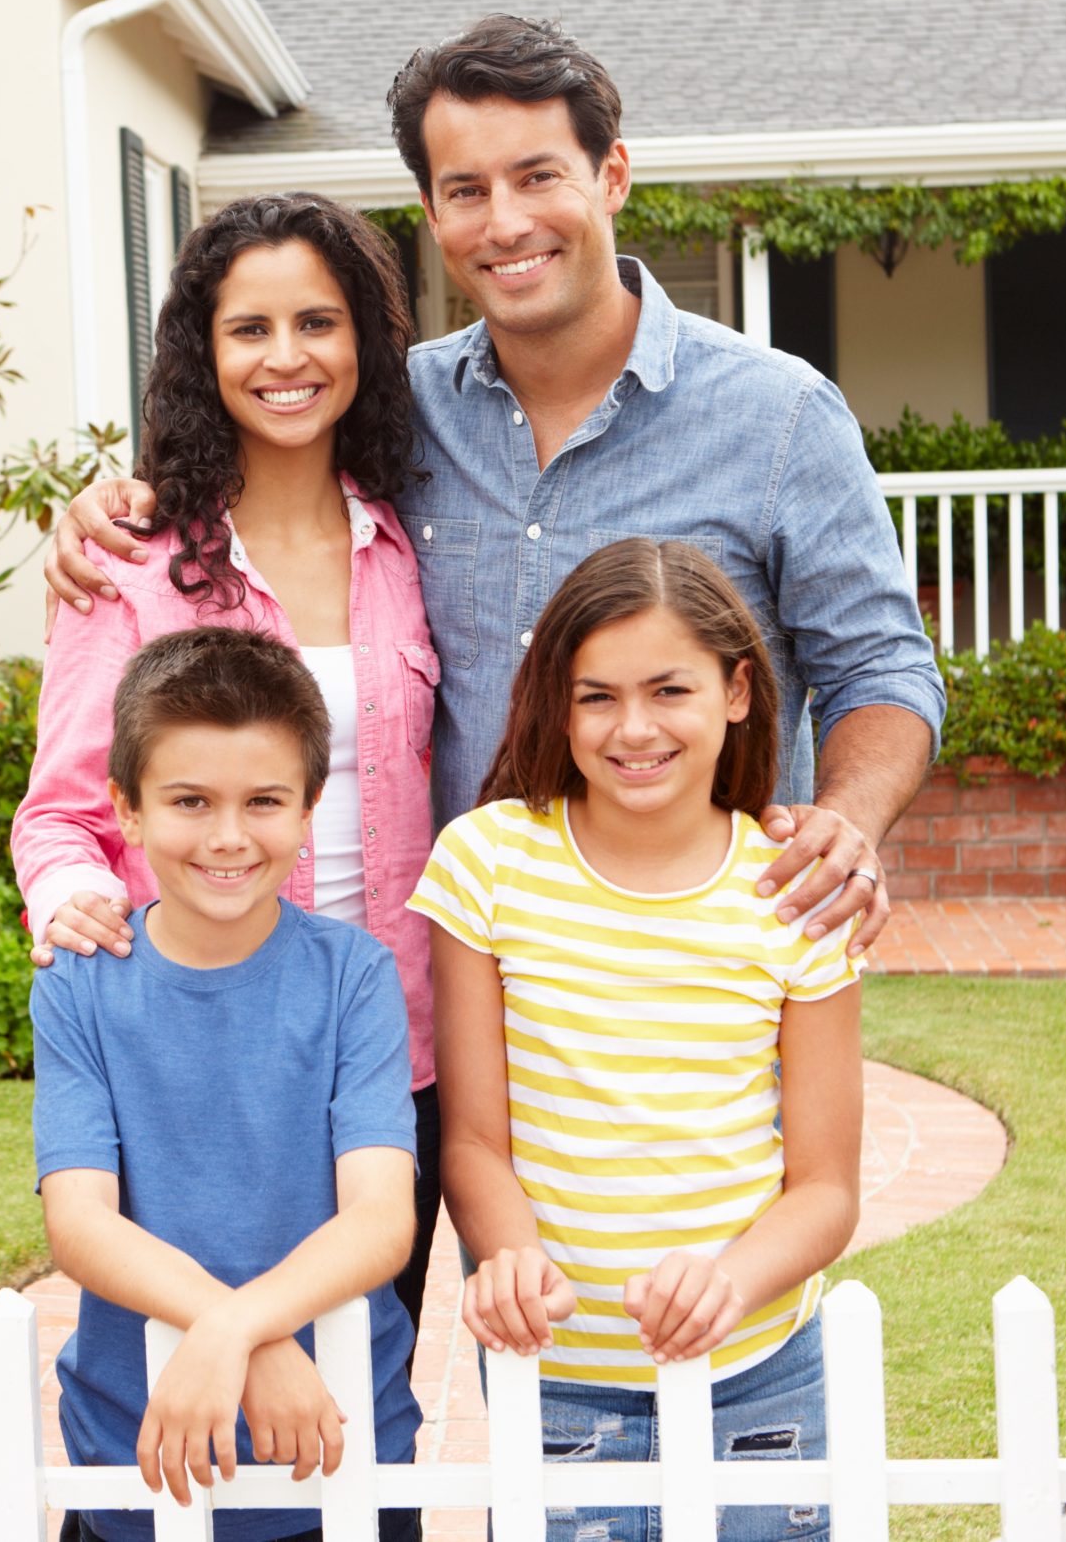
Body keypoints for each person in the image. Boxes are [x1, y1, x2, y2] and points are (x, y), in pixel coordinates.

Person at [44, 15, 944, 961]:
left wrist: (847, 820)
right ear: (432, 216)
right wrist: (118, 506)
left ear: (613, 176)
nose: (505, 222)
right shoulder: (395, 411)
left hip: (696, 976)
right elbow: (258, 449)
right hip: (459, 981)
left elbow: (881, 668)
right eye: (466, 190)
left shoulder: (780, 417)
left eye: (538, 175)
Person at [12, 190, 446, 1347]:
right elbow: (59, 814)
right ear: (203, 355)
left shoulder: (413, 539)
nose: (286, 357)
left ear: (363, 338)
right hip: (202, 1052)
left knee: (364, 1384)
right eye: (249, 329)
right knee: (189, 1386)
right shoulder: (132, 563)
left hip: (395, 1042)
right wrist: (75, 911)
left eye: (317, 322)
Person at [413, 539, 863, 1542]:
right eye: (596, 697)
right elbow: (475, 1142)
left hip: (758, 1378)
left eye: (670, 690)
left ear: (737, 689)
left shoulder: (792, 893)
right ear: (555, 704)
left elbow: (826, 1189)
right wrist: (514, 1258)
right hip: (561, 1383)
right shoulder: (485, 864)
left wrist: (730, 1284)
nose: (634, 729)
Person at [33, 626, 424, 1542]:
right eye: (189, 800)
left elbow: (380, 1217)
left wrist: (231, 1331)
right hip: (137, 1451)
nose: (227, 835)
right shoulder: (80, 983)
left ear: (309, 808)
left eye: (263, 801)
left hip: (337, 1441)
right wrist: (239, 1331)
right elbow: (80, 1221)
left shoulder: (354, 976)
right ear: (126, 809)